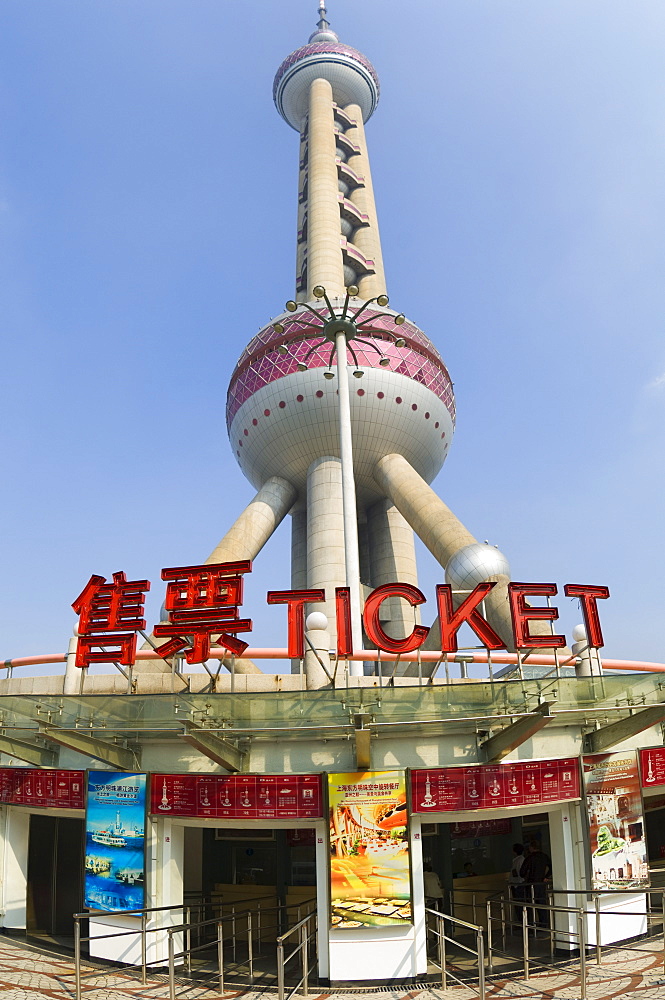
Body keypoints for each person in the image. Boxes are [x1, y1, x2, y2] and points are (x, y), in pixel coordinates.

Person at [518, 840, 551, 929]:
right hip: (541, 883)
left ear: (531, 848)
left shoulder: (530, 858)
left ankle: (531, 925)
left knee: (530, 905)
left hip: (531, 884)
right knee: (542, 904)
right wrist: (546, 876)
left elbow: (522, 872)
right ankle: (544, 924)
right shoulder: (544, 856)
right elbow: (551, 867)